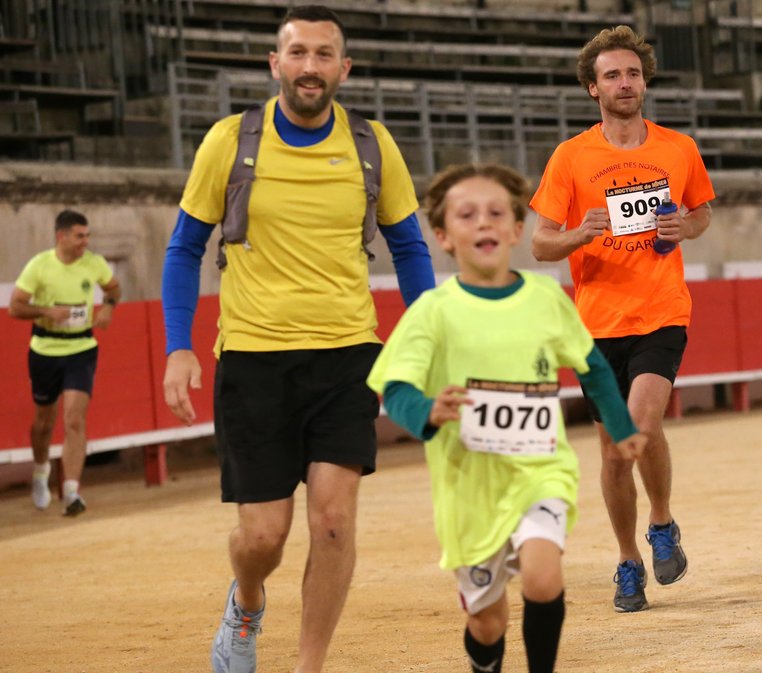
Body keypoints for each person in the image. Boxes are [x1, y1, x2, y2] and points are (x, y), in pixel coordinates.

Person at [159, 5, 435, 672]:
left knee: (334, 519)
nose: (310, 67)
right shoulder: (230, 140)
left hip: (346, 357)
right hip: (253, 360)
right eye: (297, 53)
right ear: (274, 63)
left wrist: (428, 337)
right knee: (262, 535)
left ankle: (308, 664)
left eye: (323, 55)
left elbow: (409, 248)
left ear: (344, 68)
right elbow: (183, 248)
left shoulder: (373, 143)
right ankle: (248, 599)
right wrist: (178, 344)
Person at [368, 163, 647, 673]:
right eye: (467, 214)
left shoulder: (545, 300)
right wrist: (426, 410)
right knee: (487, 623)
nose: (484, 223)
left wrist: (622, 427)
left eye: (497, 213)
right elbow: (396, 385)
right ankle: (485, 661)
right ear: (443, 236)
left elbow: (594, 368)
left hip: (539, 472)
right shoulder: (433, 311)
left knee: (543, 578)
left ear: (517, 229)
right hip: (468, 490)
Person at [529, 24, 715, 613]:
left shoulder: (677, 148)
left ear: (644, 79)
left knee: (638, 427)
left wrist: (684, 227)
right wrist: (575, 234)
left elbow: (701, 213)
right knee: (614, 450)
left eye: (632, 72)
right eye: (612, 74)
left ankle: (661, 521)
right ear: (593, 88)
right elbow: (538, 245)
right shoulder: (571, 157)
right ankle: (628, 559)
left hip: (662, 312)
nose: (625, 82)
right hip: (596, 326)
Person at [9, 209, 121, 516]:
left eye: (87, 235)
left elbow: (113, 288)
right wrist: (46, 311)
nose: (86, 241)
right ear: (62, 236)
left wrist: (109, 308)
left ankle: (71, 491)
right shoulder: (39, 265)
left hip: (82, 347)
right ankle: (41, 469)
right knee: (44, 421)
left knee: (74, 418)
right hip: (45, 349)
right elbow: (15, 308)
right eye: (79, 236)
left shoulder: (94, 263)